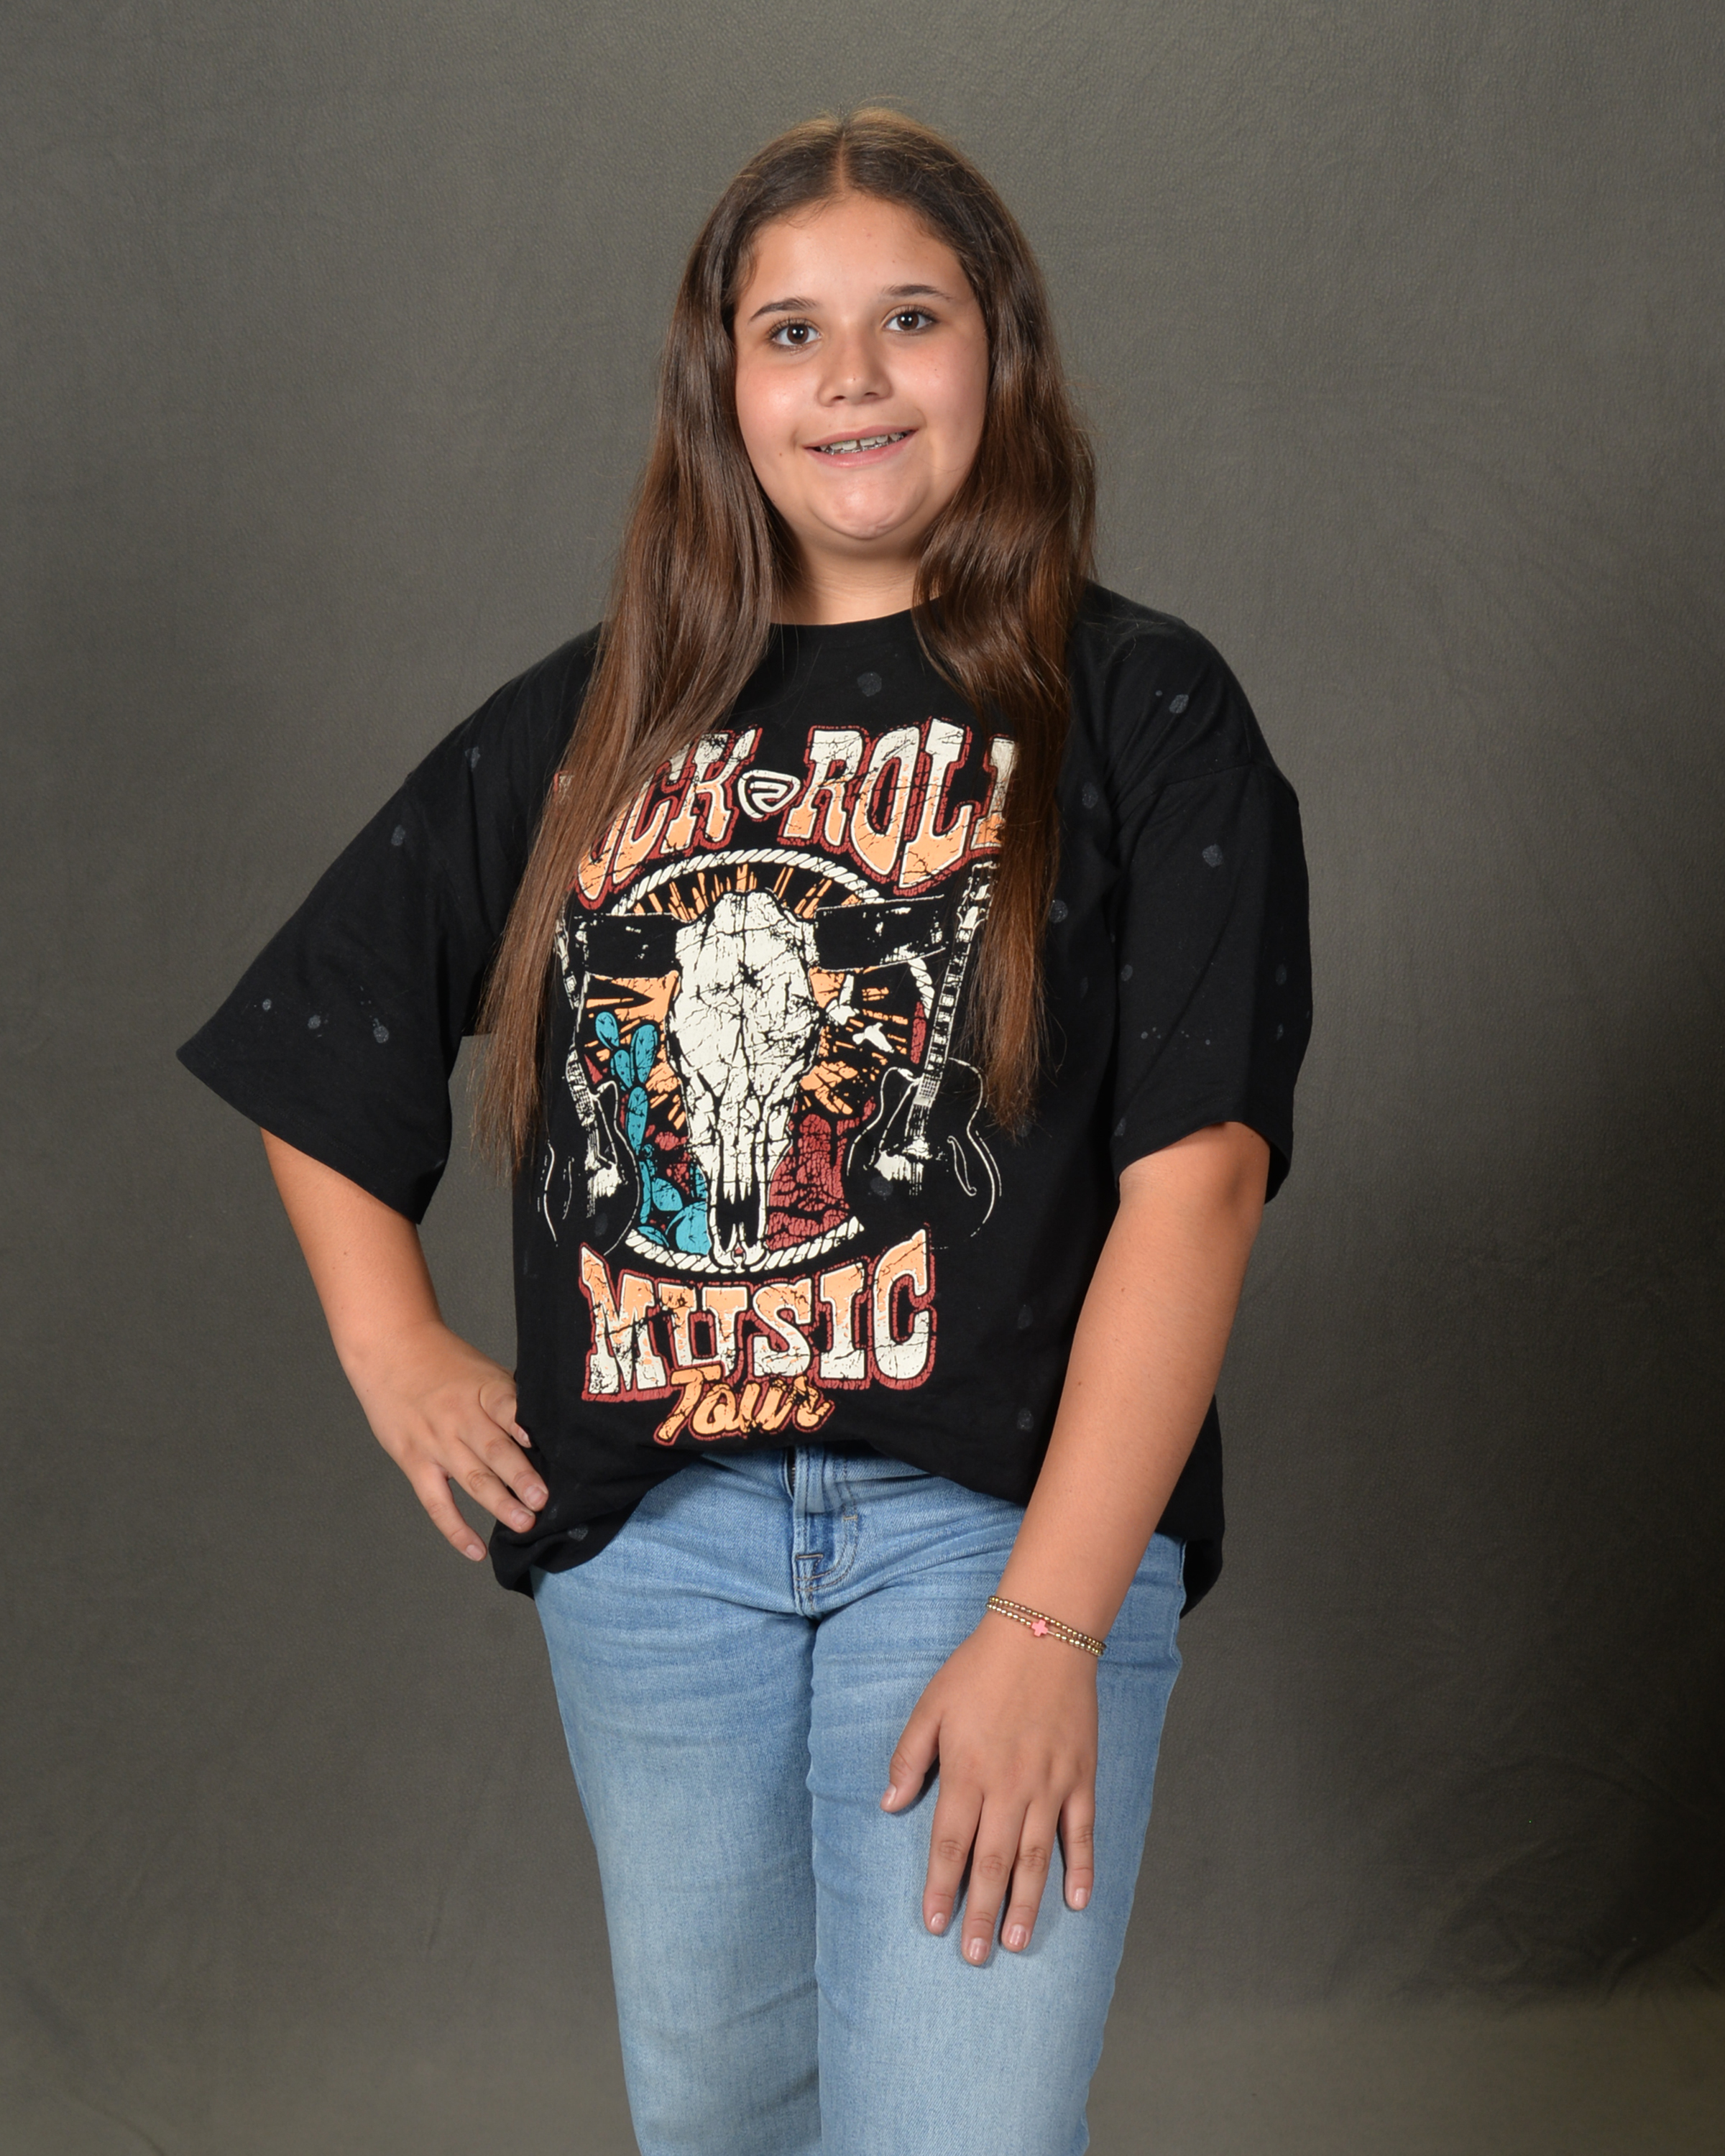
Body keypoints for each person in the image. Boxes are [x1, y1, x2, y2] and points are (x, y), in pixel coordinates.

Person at [180, 107, 1310, 2156]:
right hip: (658, 1561)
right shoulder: (598, 721)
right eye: (792, 333)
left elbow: (1200, 1178)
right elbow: (326, 1027)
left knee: (958, 2130)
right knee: (720, 2124)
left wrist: (1051, 1619)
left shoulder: (1140, 710)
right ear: (723, 385)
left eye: (912, 319)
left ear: (1004, 352)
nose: (853, 378)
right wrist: (394, 1347)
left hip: (989, 1529)